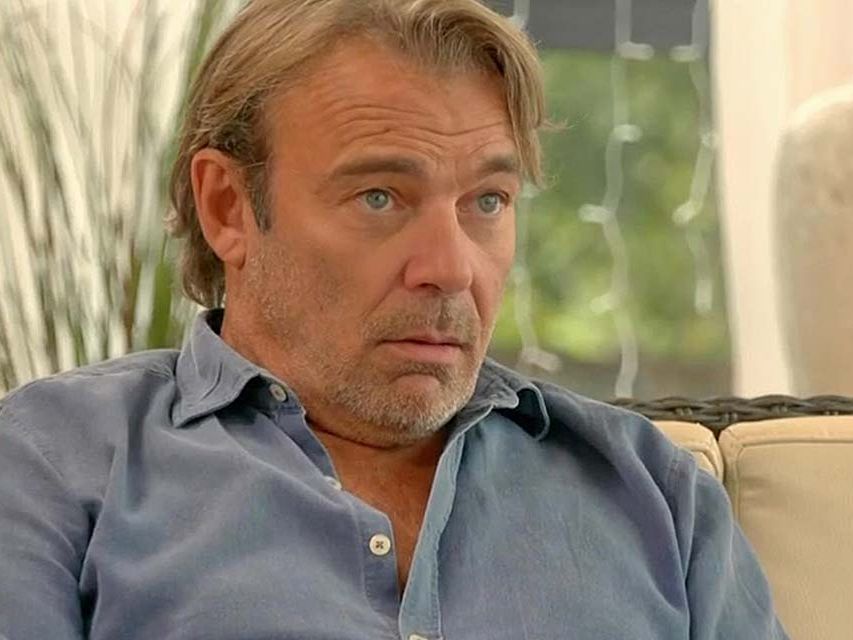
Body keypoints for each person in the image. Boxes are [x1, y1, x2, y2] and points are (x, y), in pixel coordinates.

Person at [0, 1, 788, 638]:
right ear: (228, 207)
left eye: (487, 202)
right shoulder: (53, 464)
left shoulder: (654, 494)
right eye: (379, 197)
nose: (451, 267)